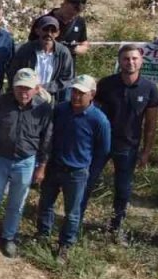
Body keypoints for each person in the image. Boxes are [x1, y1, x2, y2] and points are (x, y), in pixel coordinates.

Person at [0, 69, 52, 258]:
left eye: (28, 88)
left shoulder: (44, 109)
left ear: (36, 89)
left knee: (17, 202)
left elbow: (47, 139)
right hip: (0, 158)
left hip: (26, 161)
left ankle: (9, 237)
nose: (24, 92)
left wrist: (42, 165)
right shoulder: (0, 103)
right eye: (20, 87)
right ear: (13, 87)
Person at [85, 45, 158, 244]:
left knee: (123, 189)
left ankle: (116, 227)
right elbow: (92, 113)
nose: (130, 62)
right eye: (126, 59)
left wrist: (146, 151)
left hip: (129, 146)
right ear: (120, 61)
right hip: (101, 144)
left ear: (141, 61)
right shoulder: (107, 84)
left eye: (134, 58)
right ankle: (75, 221)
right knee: (87, 182)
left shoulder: (149, 88)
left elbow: (151, 123)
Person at [34, 75, 111, 262]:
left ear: (92, 95)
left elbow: (104, 150)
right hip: (54, 166)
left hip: (77, 172)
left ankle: (65, 244)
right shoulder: (60, 110)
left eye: (81, 93)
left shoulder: (99, 120)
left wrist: (90, 172)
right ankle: (43, 235)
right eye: (74, 91)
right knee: (45, 204)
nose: (76, 96)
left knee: (72, 212)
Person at [7, 15, 73, 102]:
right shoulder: (25, 50)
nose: (49, 34)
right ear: (37, 31)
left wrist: (43, 88)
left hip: (51, 98)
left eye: (53, 31)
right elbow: (13, 73)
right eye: (45, 29)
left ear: (57, 33)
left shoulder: (63, 53)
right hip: (26, 97)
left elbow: (67, 79)